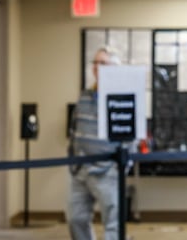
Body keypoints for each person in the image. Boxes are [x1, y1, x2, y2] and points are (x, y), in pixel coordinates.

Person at [67, 46, 122, 240]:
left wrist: (120, 167)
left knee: (113, 224)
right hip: (80, 170)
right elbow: (74, 130)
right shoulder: (84, 96)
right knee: (76, 219)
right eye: (95, 62)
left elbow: (130, 137)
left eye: (103, 63)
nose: (97, 67)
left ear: (114, 68)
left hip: (108, 171)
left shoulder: (121, 97)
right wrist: (73, 161)